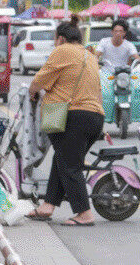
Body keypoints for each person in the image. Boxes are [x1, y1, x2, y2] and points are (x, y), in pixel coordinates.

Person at [26, 19, 104, 226]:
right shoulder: (90, 54)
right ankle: (48, 205)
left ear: (60, 38)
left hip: (73, 115)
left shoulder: (63, 51)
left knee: (70, 166)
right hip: (95, 116)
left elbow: (40, 80)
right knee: (62, 158)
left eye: (55, 40)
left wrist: (32, 91)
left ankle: (84, 213)